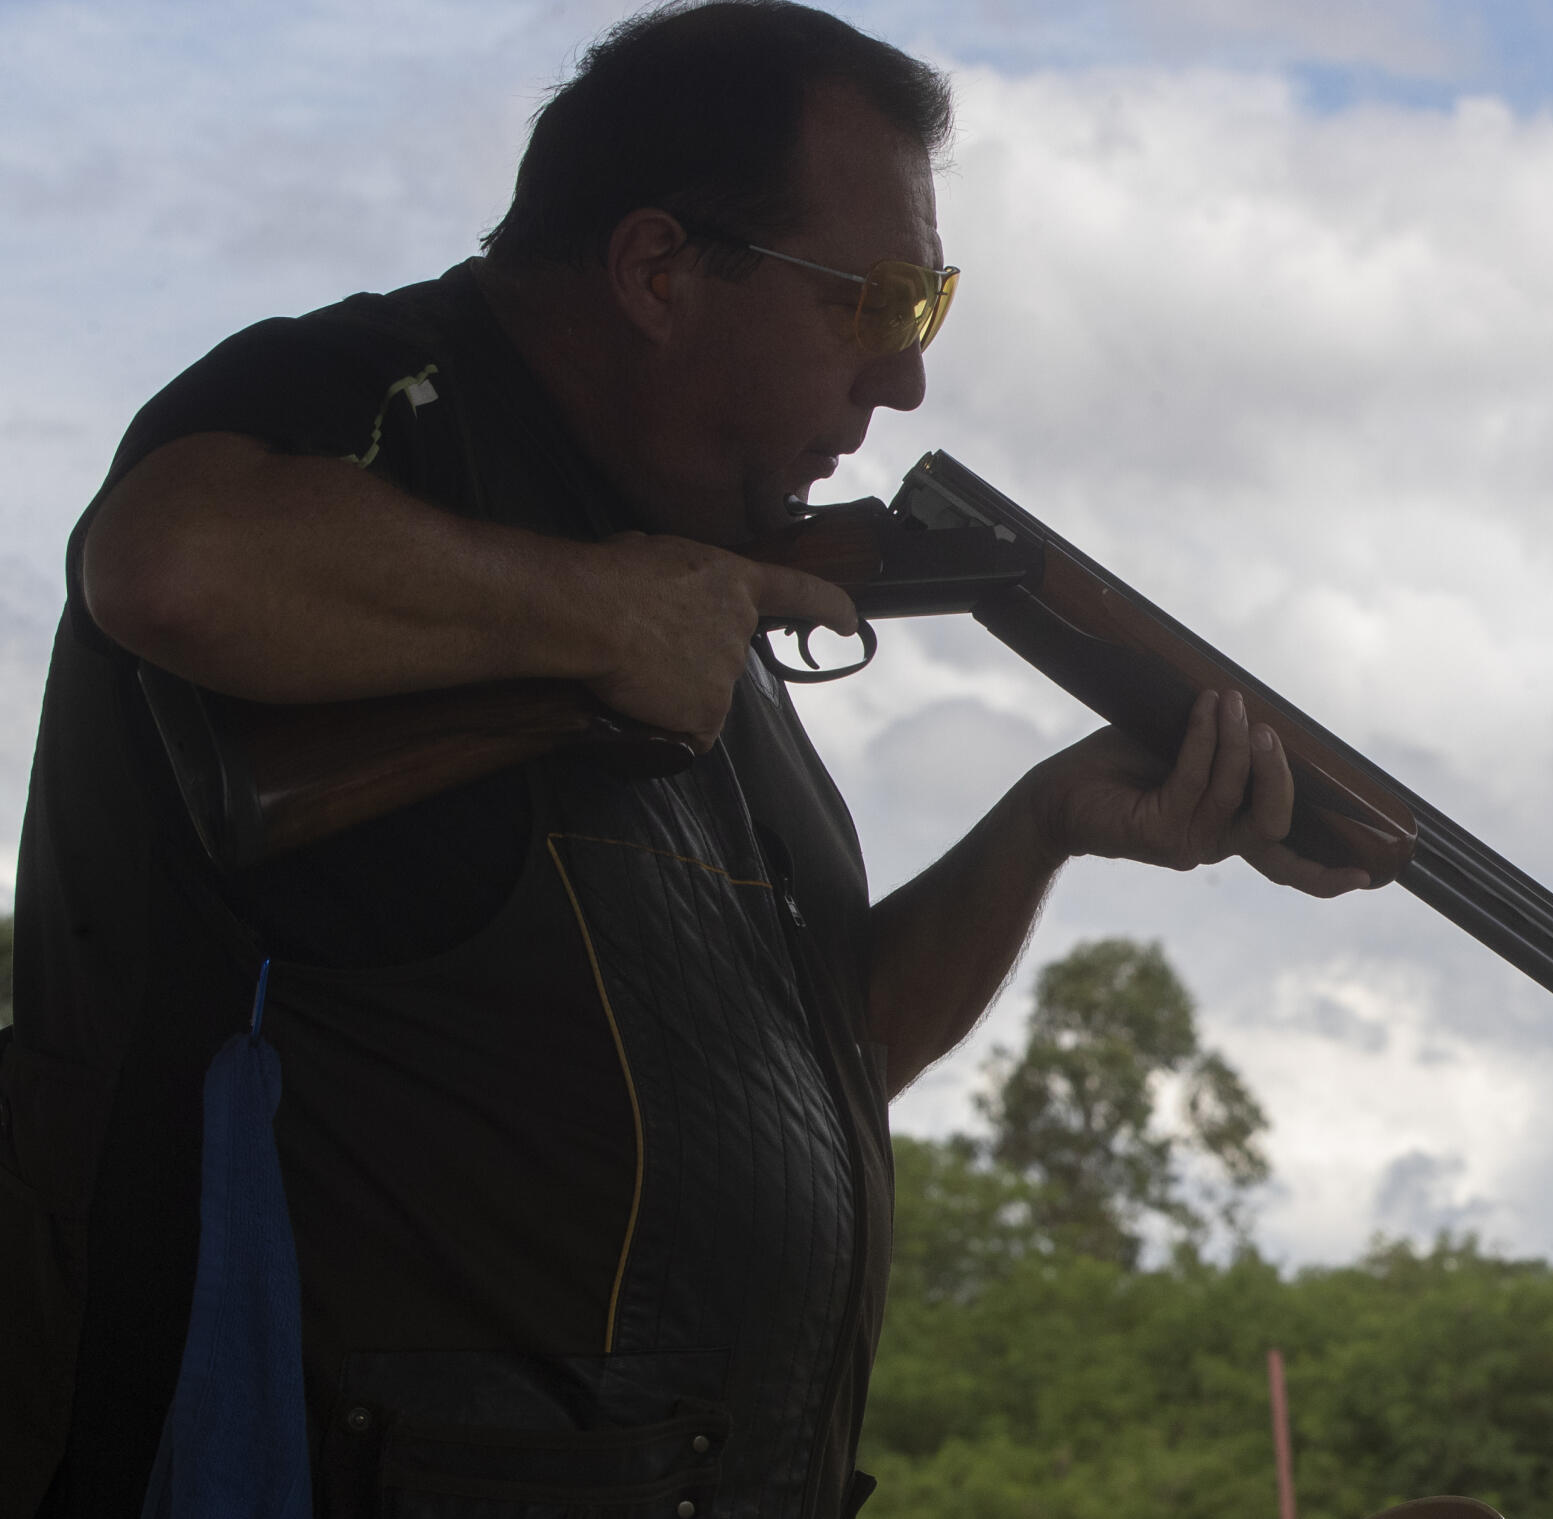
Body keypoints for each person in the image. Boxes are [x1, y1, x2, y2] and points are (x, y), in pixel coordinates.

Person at [0, 4, 1367, 1514]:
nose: (903, 380)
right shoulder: (389, 402)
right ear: (658, 269)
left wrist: (1041, 824)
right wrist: (595, 611)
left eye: (928, 305)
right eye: (876, 299)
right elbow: (169, 564)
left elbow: (817, 1068)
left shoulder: (702, 568)